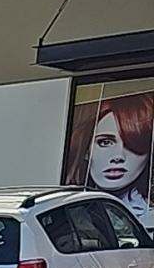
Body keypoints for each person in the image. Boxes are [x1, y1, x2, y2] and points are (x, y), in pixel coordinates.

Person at [65, 95, 152, 226]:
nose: (118, 157)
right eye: (105, 142)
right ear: (86, 150)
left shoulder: (149, 218)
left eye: (132, 144)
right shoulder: (60, 211)